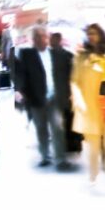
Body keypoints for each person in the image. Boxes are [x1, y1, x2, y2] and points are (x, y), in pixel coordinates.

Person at [14, 25, 75, 171]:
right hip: (36, 98)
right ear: (33, 40)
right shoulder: (26, 54)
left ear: (48, 38)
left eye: (43, 36)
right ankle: (44, 156)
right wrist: (19, 90)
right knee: (41, 129)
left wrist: (71, 92)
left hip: (55, 98)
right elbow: (21, 75)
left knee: (58, 128)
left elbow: (70, 71)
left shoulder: (58, 54)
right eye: (37, 37)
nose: (41, 39)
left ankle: (60, 159)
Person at [71, 24, 105, 194]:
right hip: (89, 110)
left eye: (94, 33)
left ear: (101, 34)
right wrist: (78, 101)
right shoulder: (81, 57)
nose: (91, 36)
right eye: (89, 34)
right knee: (93, 148)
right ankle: (93, 176)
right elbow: (74, 81)